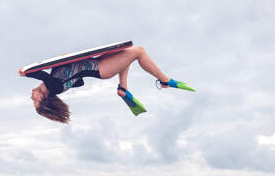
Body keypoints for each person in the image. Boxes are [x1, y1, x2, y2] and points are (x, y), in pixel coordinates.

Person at [18, 45, 194, 123]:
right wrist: (24, 73)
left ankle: (123, 89)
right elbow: (35, 72)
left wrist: (68, 64)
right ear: (45, 98)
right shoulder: (54, 87)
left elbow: (79, 82)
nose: (31, 97)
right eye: (34, 101)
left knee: (126, 53)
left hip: (98, 64)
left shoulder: (55, 85)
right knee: (139, 51)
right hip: (101, 68)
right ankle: (165, 81)